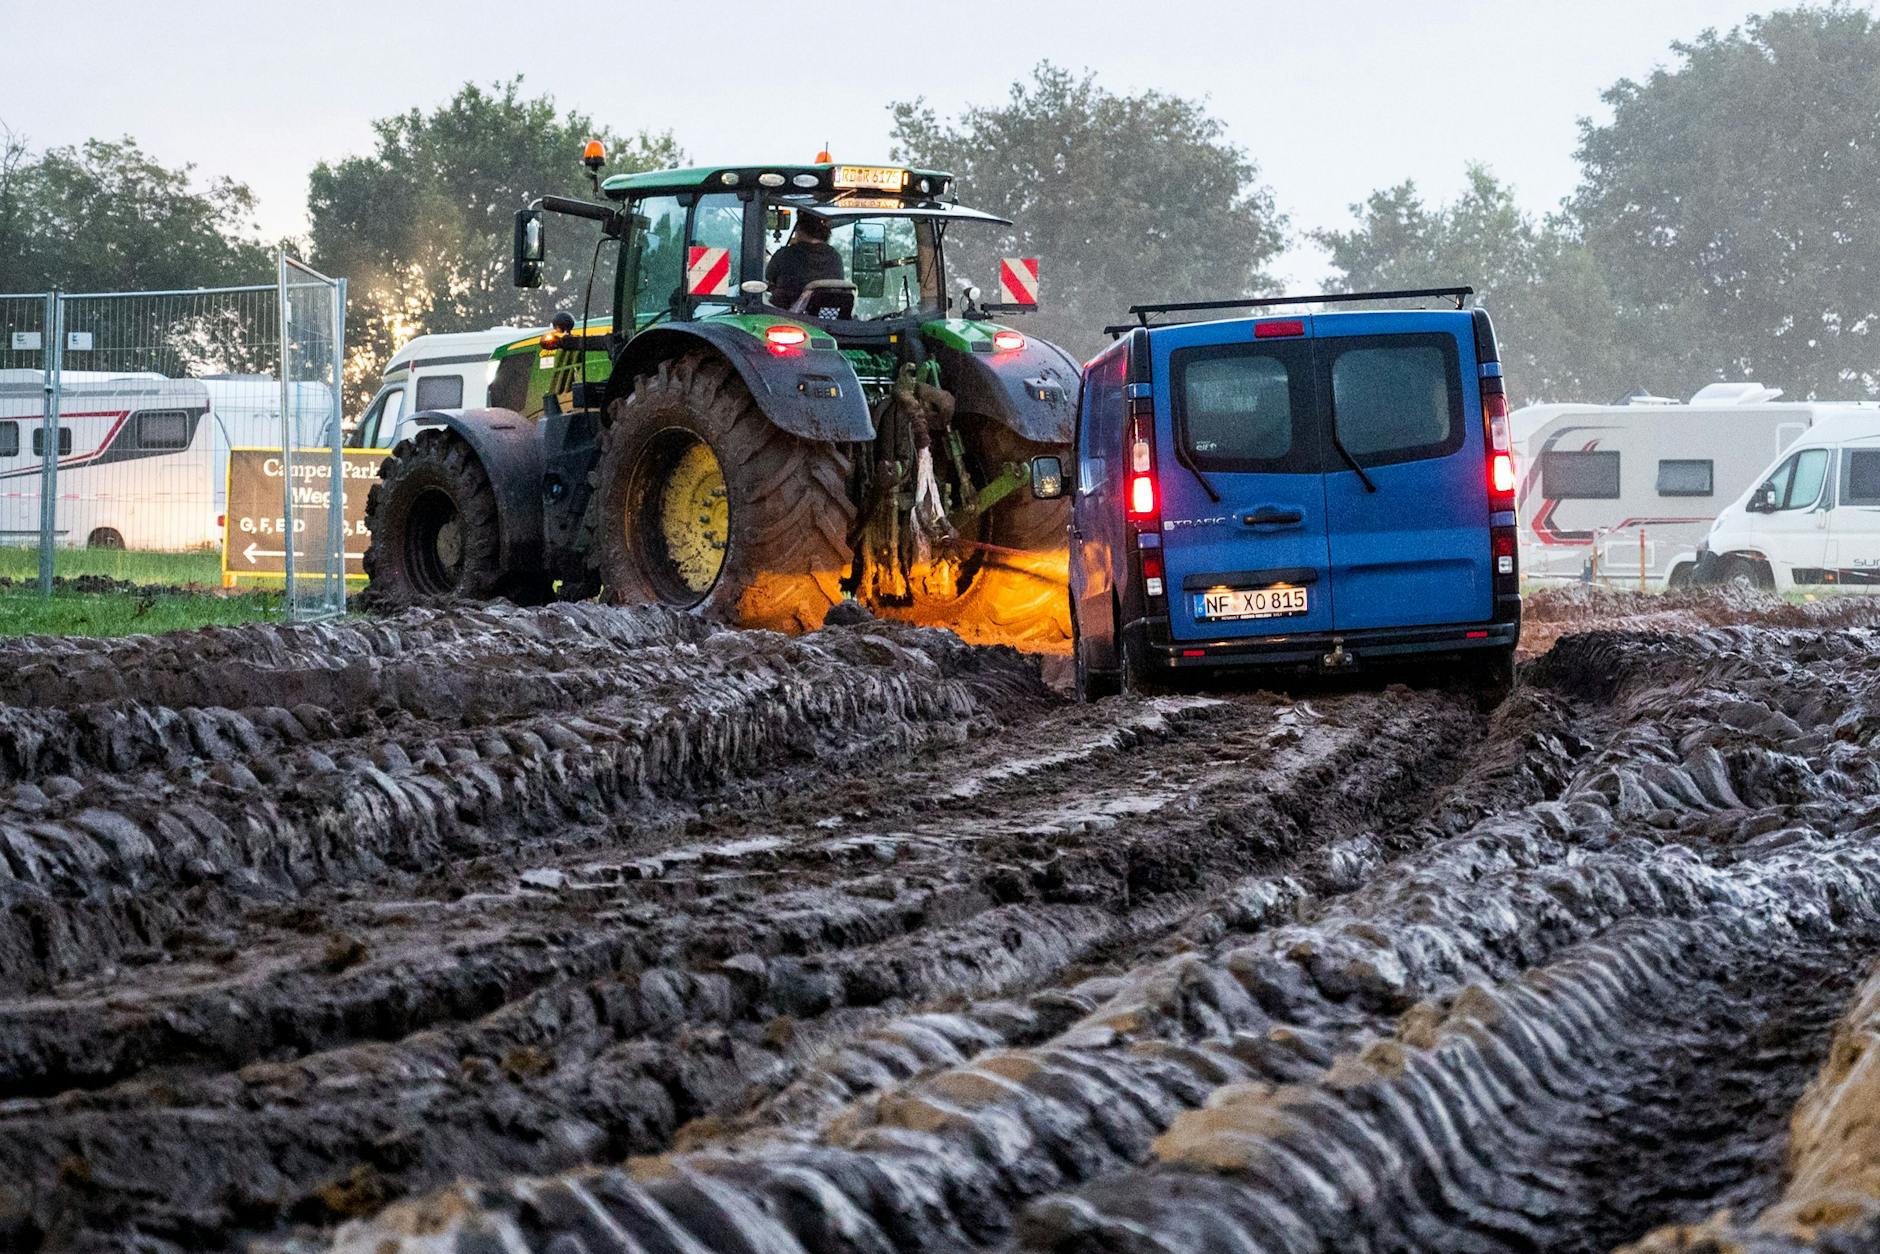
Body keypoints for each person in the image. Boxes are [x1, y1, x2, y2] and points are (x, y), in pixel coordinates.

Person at [764, 213, 845, 310]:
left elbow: (769, 276)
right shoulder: (835, 256)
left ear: (800, 230)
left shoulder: (786, 254)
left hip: (785, 315)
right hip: (826, 316)